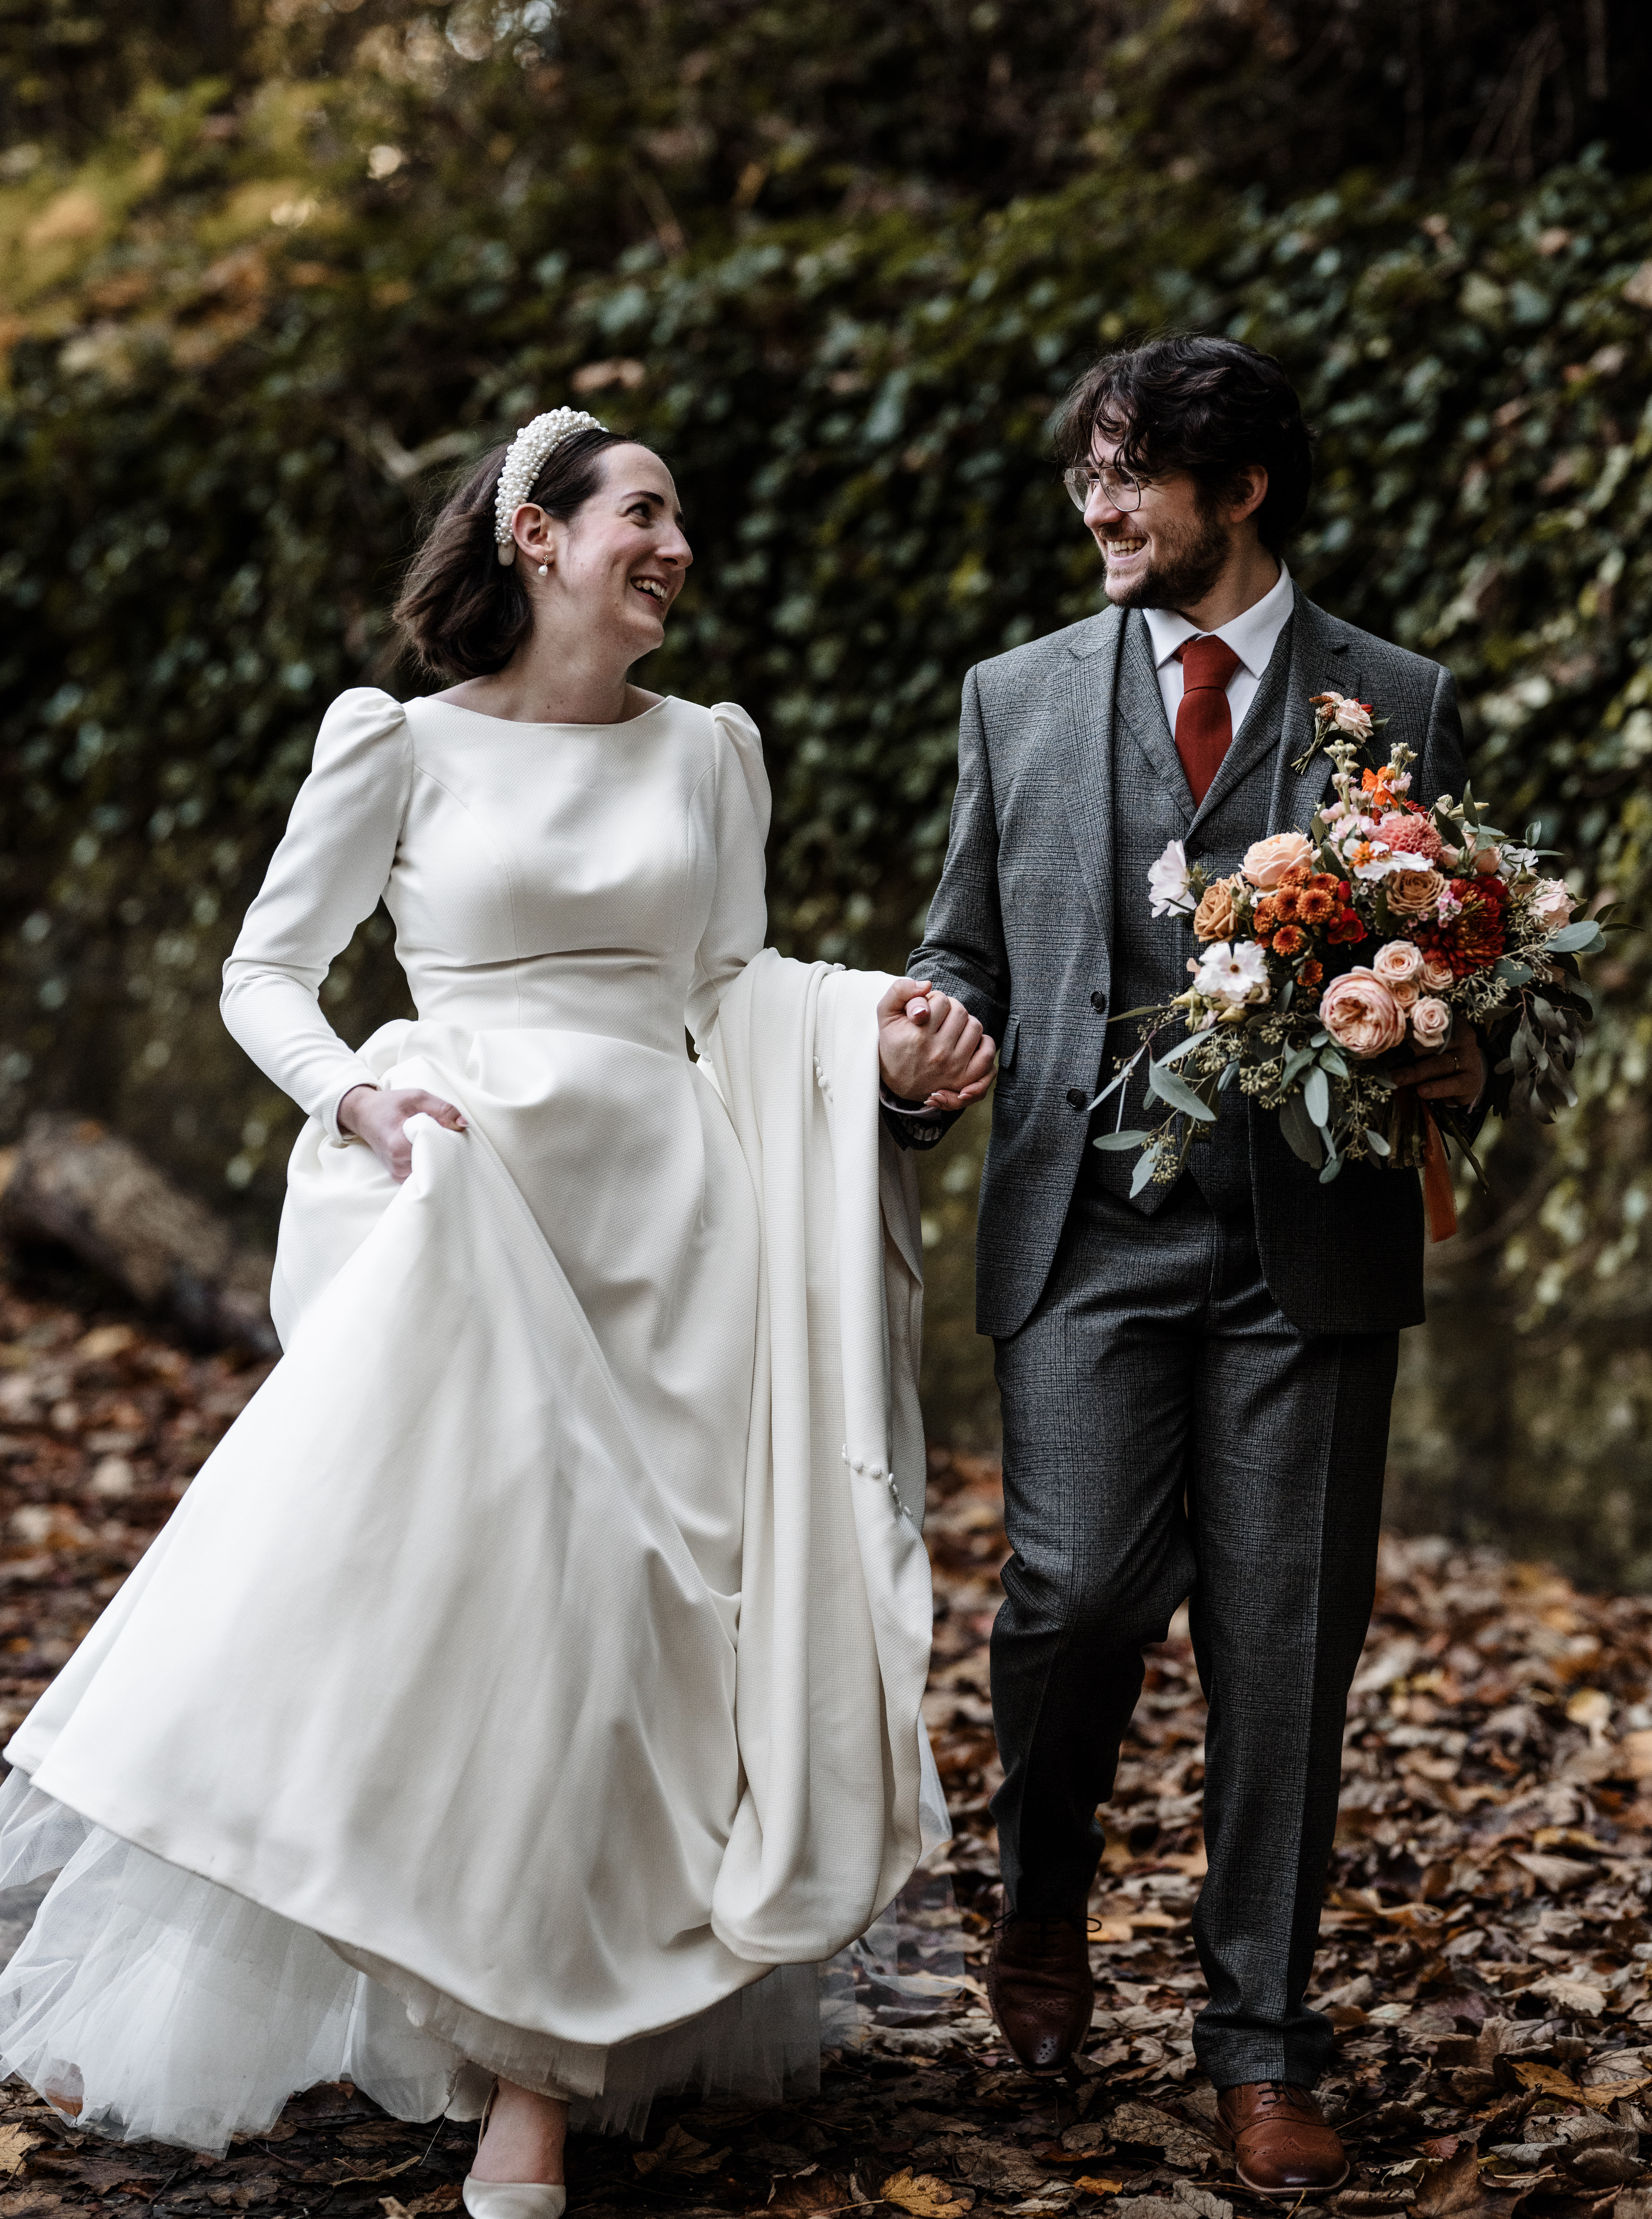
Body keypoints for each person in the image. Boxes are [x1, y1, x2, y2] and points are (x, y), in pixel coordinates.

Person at [0, 408, 994, 2208]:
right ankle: (519, 2078)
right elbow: (267, 971)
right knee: (515, 1611)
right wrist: (358, 1099)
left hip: (675, 1225)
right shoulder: (396, 741)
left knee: (650, 1630)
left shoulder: (711, 751)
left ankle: (548, 2043)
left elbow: (732, 986)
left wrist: (874, 1032)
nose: (675, 546)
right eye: (643, 512)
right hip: (470, 1199)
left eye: (679, 519)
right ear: (537, 534)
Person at [883, 338, 1486, 2198]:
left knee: (1286, 1643)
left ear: (1242, 489)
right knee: (1070, 1597)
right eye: (1089, 470)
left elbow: (1460, 949)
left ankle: (1261, 2043)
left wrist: (1458, 1049)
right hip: (1084, 1230)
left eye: (1131, 472)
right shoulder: (1015, 697)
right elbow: (965, 941)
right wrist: (925, 1039)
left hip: (1310, 1241)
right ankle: (1043, 1891)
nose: (1099, 505)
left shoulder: (1397, 697)